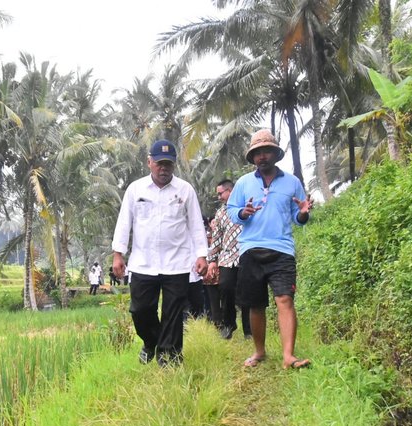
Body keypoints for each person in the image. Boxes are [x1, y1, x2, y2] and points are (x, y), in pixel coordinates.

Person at [112, 139, 208, 367]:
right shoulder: (136, 189)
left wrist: (202, 255)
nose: (164, 169)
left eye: (169, 164)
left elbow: (196, 224)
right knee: (140, 310)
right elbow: (124, 222)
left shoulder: (185, 190)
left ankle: (170, 359)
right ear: (149, 163)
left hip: (177, 262)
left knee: (173, 314)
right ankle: (151, 341)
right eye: (159, 164)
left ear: (174, 165)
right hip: (143, 263)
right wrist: (118, 254)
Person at [227, 129, 313, 369]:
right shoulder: (244, 183)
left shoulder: (292, 182)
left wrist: (304, 214)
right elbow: (232, 210)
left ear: (275, 154)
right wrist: (243, 212)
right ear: (253, 157)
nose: (262, 156)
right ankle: (259, 351)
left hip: (282, 249)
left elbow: (299, 216)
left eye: (267, 151)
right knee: (255, 304)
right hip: (251, 249)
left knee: (285, 299)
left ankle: (288, 356)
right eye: (257, 153)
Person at [206, 179, 252, 340]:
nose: (219, 197)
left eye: (221, 193)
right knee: (225, 287)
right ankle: (229, 324)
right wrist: (212, 260)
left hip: (247, 255)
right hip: (227, 257)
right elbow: (217, 237)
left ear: (231, 191)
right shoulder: (220, 213)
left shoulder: (247, 207)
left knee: (247, 292)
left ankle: (249, 330)